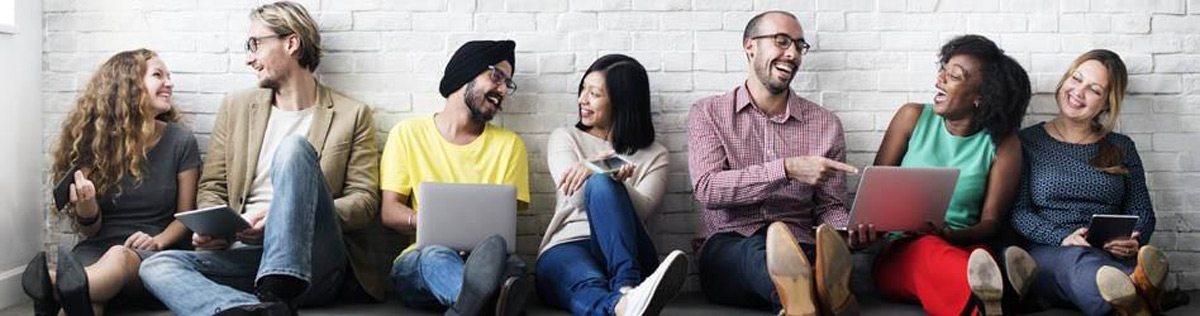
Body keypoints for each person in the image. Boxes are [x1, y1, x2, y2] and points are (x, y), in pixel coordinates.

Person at [137, 2, 382, 314]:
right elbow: (212, 185)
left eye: (255, 44)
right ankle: (251, 309)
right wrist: (215, 229)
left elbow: (363, 202)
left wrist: (284, 214)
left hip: (315, 260)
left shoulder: (352, 114)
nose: (249, 58)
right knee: (157, 266)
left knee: (293, 149)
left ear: (291, 43)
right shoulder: (236, 107)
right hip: (249, 256)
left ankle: (279, 286)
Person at [687, 11, 879, 316]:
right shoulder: (708, 113)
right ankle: (825, 294)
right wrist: (786, 169)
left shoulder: (825, 124)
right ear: (750, 46)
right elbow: (708, 189)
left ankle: (803, 301)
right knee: (756, 253)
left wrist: (846, 232)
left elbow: (829, 205)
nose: (792, 54)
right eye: (781, 42)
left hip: (802, 242)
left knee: (811, 258)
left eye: (799, 46)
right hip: (730, 245)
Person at [19, 48, 199, 316]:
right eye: (158, 75)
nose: (169, 83)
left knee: (116, 257)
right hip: (95, 250)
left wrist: (158, 241)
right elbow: (90, 231)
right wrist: (87, 204)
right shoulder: (96, 146)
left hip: (152, 254)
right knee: (86, 303)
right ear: (129, 86)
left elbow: (187, 217)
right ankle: (68, 288)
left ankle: (53, 284)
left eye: (169, 76)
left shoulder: (180, 141)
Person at [869, 34, 1034, 316]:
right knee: (932, 253)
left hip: (968, 247)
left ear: (981, 96)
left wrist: (950, 234)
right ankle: (1005, 293)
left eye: (954, 76)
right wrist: (864, 230)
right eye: (943, 70)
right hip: (902, 250)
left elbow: (991, 223)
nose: (939, 80)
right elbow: (872, 198)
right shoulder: (911, 117)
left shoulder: (1004, 144)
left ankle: (990, 300)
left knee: (974, 259)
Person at [1010, 49, 1168, 316]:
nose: (1078, 91)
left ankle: (1129, 295)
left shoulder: (1121, 147)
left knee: (1114, 268)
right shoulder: (1027, 142)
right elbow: (1018, 212)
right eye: (1076, 79)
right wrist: (1062, 237)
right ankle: (1138, 293)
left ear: (1106, 103)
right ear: (1064, 80)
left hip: (1110, 253)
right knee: (1080, 264)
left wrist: (1133, 239)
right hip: (1050, 251)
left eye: (1093, 89)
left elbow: (1142, 211)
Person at [381, 40, 532, 316]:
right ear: (465, 74)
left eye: (507, 83)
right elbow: (389, 212)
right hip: (422, 262)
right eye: (496, 77)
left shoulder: (510, 146)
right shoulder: (407, 134)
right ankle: (486, 301)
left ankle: (468, 306)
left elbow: (504, 229)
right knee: (436, 256)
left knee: (513, 267)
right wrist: (433, 223)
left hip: (483, 258)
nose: (502, 90)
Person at [536, 54, 688, 316]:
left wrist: (611, 172)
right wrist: (601, 167)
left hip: (628, 248)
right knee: (583, 280)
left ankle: (625, 284)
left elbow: (641, 214)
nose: (582, 99)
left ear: (622, 101)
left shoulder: (655, 154)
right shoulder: (565, 138)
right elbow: (576, 198)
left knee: (603, 183)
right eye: (583, 89)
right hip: (569, 245)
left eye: (593, 93)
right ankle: (623, 305)